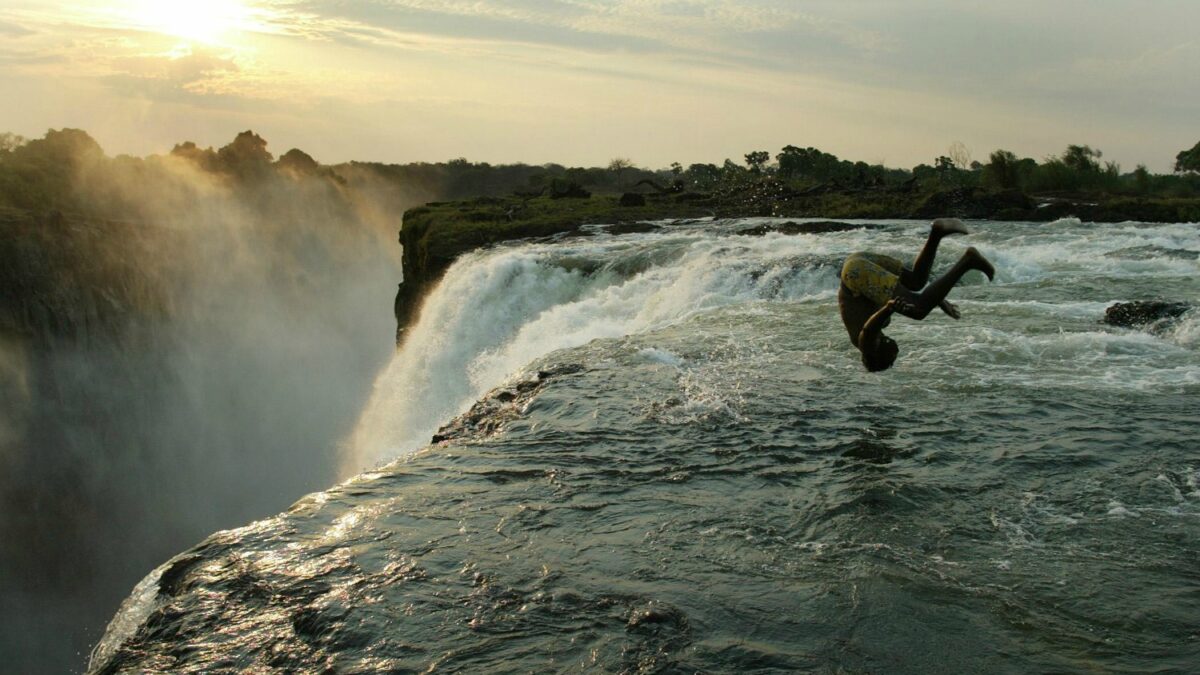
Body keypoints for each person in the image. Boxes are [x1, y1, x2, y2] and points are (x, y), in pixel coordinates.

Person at [839, 218, 995, 372]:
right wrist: (938, 300)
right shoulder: (878, 331)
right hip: (857, 263)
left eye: (892, 358)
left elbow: (869, 329)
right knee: (916, 281)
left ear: (877, 356)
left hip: (856, 273)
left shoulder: (866, 346)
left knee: (918, 310)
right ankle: (937, 231)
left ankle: (968, 261)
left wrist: (888, 309)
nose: (896, 354)